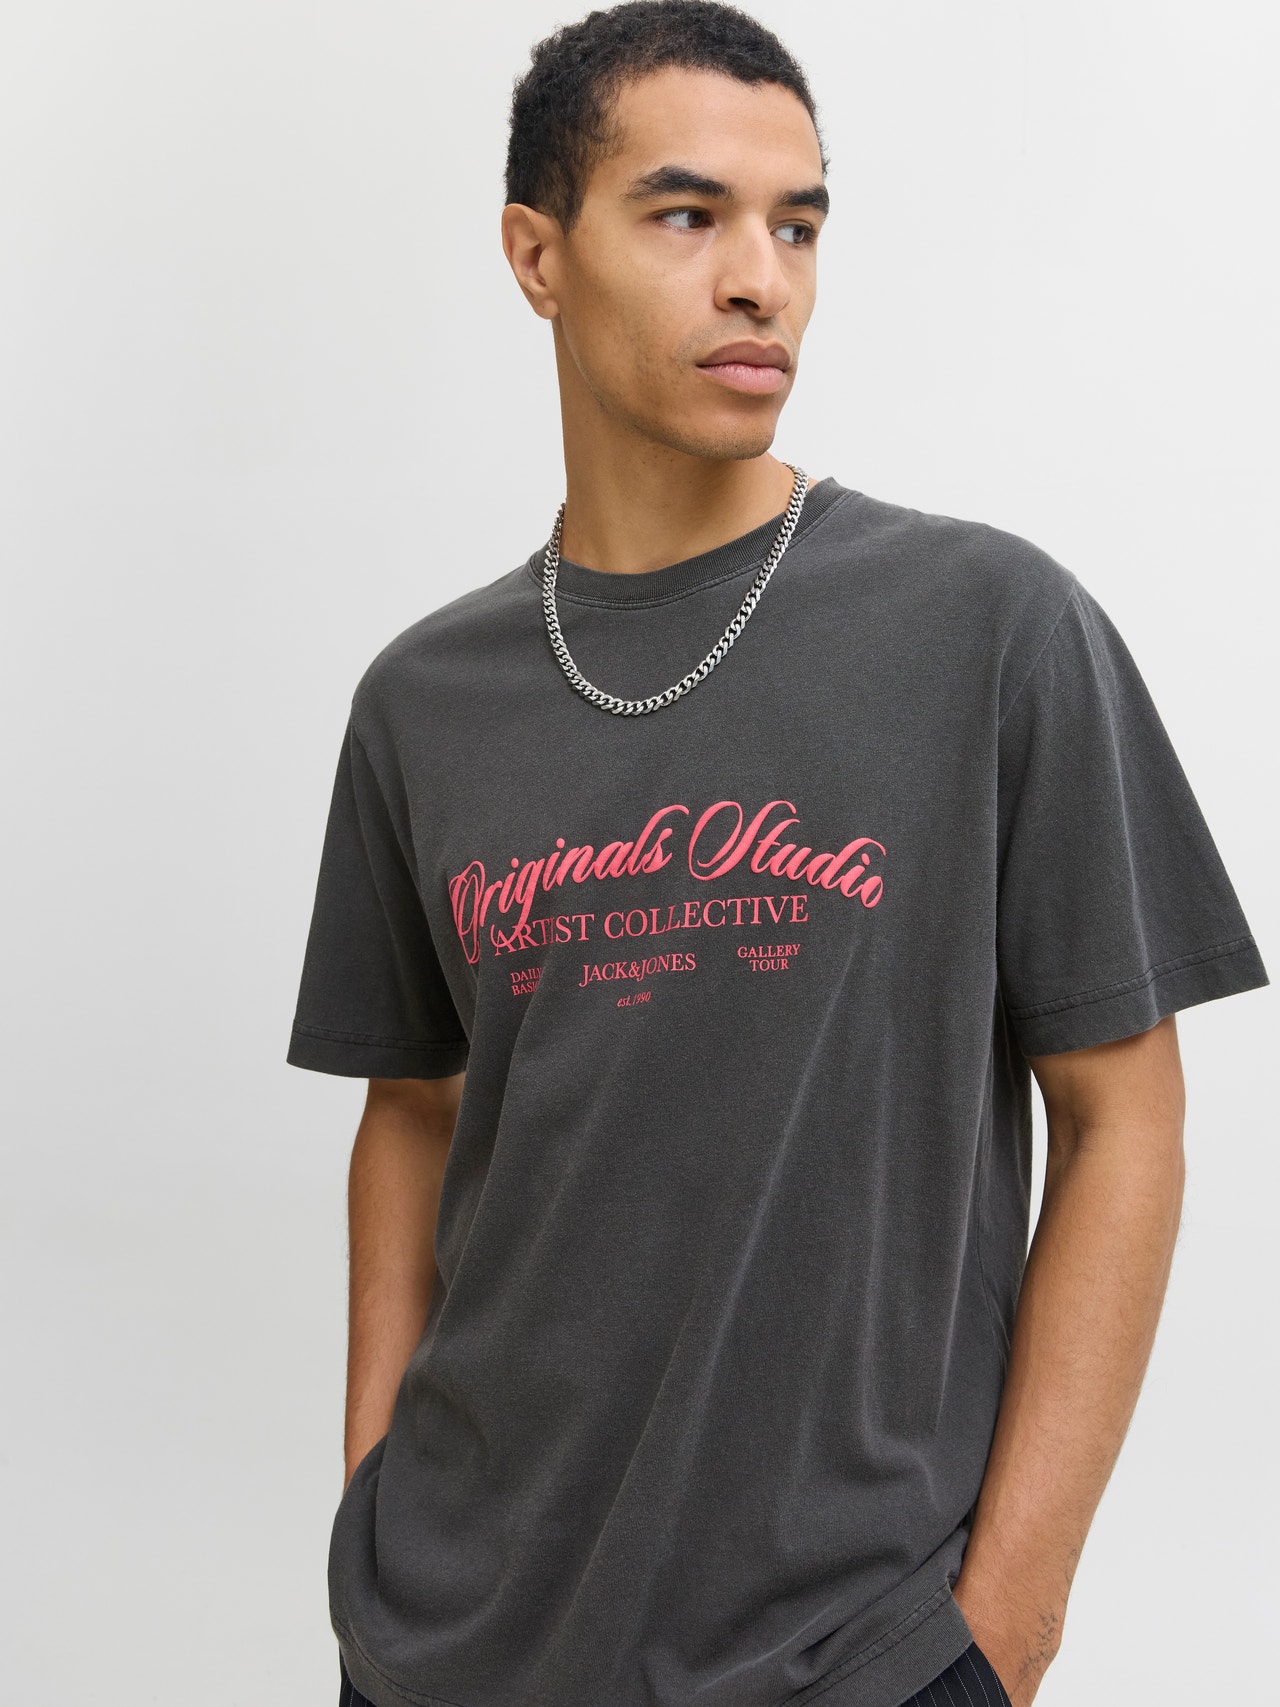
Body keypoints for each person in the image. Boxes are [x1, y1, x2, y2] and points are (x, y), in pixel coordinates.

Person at [287, 4, 1270, 1704]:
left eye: (797, 224)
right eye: (688, 215)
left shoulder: (988, 629)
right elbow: (415, 1111)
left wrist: (1009, 1625)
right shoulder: (423, 702)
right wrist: (374, 1501)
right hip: (445, 1650)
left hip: (853, 1656)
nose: (762, 281)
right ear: (537, 254)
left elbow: (1127, 1117)